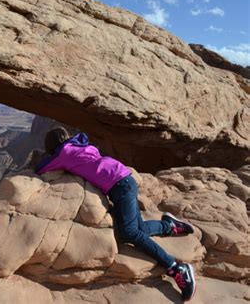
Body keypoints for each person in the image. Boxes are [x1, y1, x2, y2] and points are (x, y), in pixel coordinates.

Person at [35, 127, 196, 302]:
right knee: (138, 227)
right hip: (123, 180)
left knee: (129, 233)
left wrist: (42, 157)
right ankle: (169, 226)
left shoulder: (64, 153)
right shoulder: (78, 145)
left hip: (120, 185)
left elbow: (41, 168)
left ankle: (176, 268)